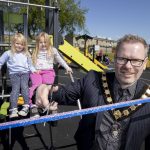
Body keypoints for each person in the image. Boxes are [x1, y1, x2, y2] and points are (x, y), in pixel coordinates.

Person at [34, 34, 150, 150]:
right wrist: (43, 88)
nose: (128, 66)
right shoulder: (93, 79)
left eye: (136, 60)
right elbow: (62, 93)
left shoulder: (148, 99)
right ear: (115, 59)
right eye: (122, 59)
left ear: (144, 64)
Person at [29, 32, 72, 117]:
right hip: (37, 71)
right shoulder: (35, 50)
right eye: (41, 42)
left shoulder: (53, 50)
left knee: (49, 87)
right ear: (37, 43)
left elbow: (60, 60)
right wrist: (33, 70)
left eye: (45, 42)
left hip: (48, 71)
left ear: (48, 42)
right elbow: (30, 62)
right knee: (36, 86)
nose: (43, 44)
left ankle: (52, 104)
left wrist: (67, 67)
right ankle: (32, 105)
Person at [0, 33, 36, 118]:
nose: (19, 46)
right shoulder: (8, 53)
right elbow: (0, 61)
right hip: (14, 74)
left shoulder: (26, 53)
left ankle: (26, 106)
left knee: (24, 88)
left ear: (24, 45)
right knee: (15, 89)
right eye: (17, 43)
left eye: (22, 44)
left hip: (25, 73)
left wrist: (34, 71)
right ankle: (13, 109)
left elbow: (30, 65)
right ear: (13, 43)